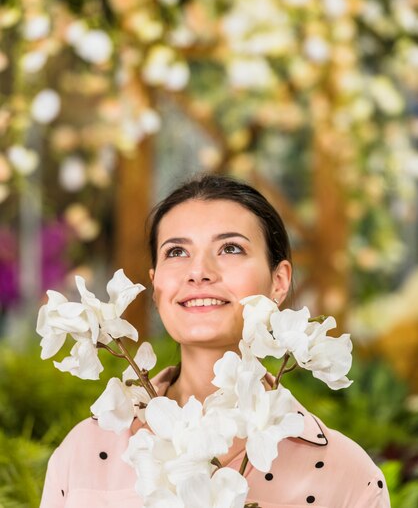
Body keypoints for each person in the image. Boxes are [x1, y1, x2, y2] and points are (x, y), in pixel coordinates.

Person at [40, 174, 391, 508]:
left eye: (231, 248)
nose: (199, 271)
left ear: (279, 281)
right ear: (155, 283)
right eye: (176, 252)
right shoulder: (84, 453)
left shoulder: (346, 475)